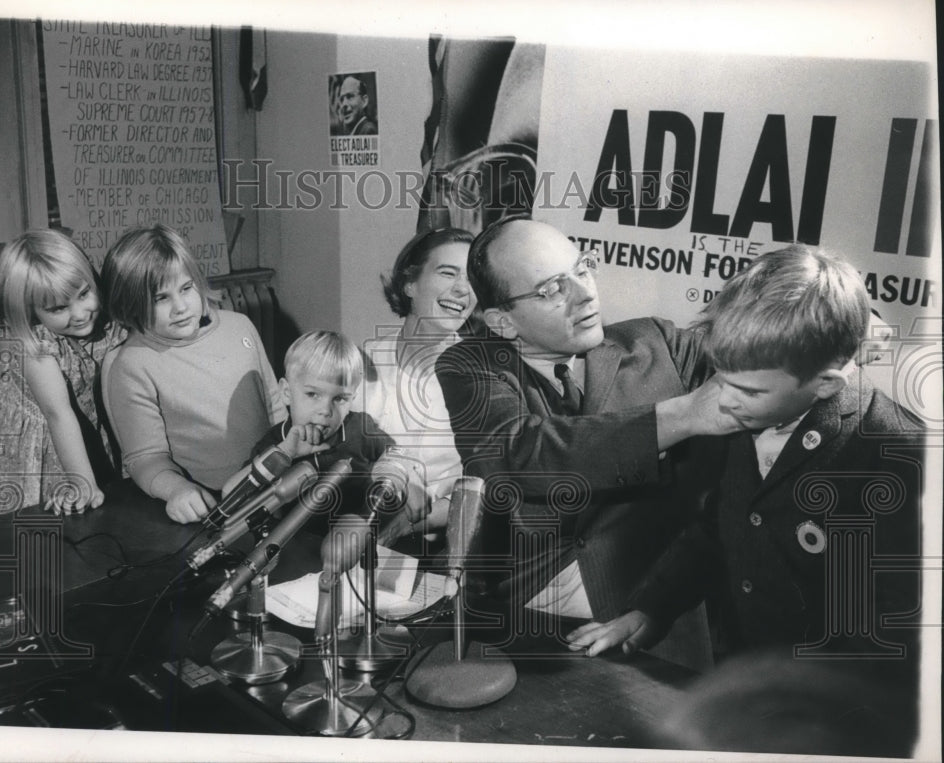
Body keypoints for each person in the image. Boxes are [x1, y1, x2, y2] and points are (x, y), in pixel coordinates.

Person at [567, 246, 924, 681]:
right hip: (739, 675)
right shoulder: (747, 412)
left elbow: (894, 625)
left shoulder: (898, 456)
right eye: (720, 377)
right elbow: (721, 528)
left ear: (827, 385)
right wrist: (651, 609)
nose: (724, 401)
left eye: (749, 391)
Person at [435, 216, 740, 666]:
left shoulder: (660, 344)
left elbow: (754, 359)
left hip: (652, 614)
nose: (585, 292)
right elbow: (522, 454)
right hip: (531, 613)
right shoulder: (469, 366)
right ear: (502, 321)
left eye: (583, 268)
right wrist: (681, 416)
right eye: (552, 289)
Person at [100, 224, 283, 524]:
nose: (180, 307)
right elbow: (143, 458)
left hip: (274, 491)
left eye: (186, 288)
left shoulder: (241, 326)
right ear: (129, 303)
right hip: (208, 509)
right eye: (161, 298)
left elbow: (273, 406)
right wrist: (178, 491)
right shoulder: (132, 364)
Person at [0, 230, 125, 514]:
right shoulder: (37, 348)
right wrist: (84, 484)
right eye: (58, 308)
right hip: (41, 429)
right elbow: (58, 414)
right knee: (46, 509)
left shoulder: (103, 323)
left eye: (84, 294)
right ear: (30, 311)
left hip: (81, 418)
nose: (80, 314)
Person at [357, 228, 475, 543]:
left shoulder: (484, 380)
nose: (463, 289)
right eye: (448, 273)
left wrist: (408, 523)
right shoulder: (361, 362)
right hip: (357, 531)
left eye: (472, 278)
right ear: (410, 283)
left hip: (441, 546)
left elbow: (484, 490)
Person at [226, 330, 408, 534]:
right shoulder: (275, 445)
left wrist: (391, 475)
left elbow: (395, 452)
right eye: (313, 394)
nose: (326, 410)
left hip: (361, 539)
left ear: (352, 399)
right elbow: (230, 496)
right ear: (286, 393)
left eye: (340, 399)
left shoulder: (359, 427)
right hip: (298, 548)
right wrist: (285, 453)